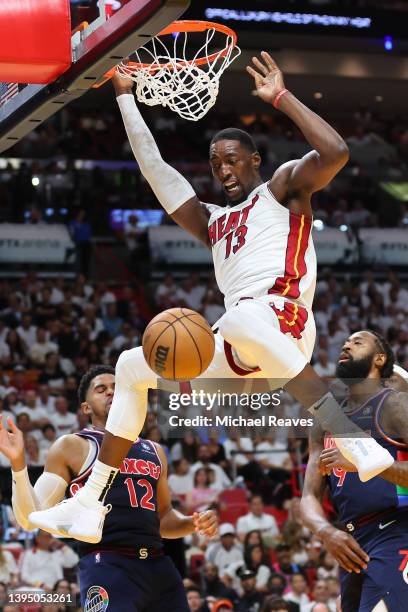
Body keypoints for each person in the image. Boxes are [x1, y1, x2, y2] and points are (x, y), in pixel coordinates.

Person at [30, 54, 393, 541]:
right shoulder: (213, 222)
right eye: (216, 161)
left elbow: (336, 153)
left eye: (233, 159)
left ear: (255, 161)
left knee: (239, 317)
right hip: (246, 354)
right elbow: (155, 170)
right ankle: (91, 503)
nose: (223, 168)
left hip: (285, 324)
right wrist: (122, 95)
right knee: (131, 365)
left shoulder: (282, 190)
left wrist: (282, 98)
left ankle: (351, 437)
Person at [0, 365, 217, 611]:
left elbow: (164, 517)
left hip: (158, 565)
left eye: (117, 388)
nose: (111, 393)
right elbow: (30, 517)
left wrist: (193, 523)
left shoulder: (154, 450)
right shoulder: (73, 446)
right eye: (101, 389)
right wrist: (18, 463)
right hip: (107, 564)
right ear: (86, 407)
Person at [300, 330, 408, 611]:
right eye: (345, 342)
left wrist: (368, 463)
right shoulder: (325, 420)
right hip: (351, 540)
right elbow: (309, 497)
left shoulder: (395, 405)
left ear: (379, 358)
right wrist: (325, 532)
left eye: (358, 342)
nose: (347, 344)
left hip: (397, 530)